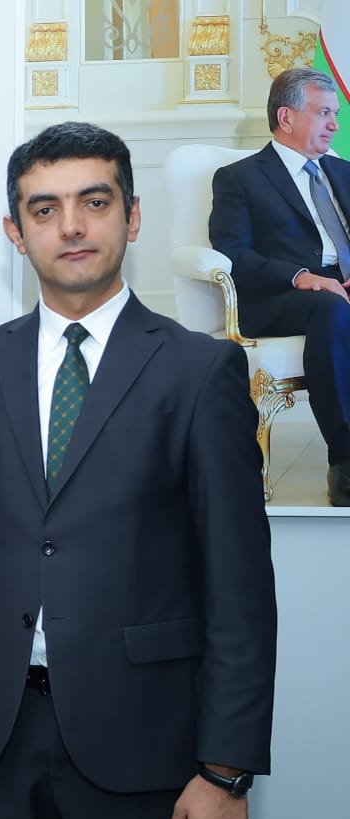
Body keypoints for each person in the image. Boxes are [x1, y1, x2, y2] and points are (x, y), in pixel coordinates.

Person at [0, 122, 277, 819]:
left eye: (94, 202)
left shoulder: (199, 372)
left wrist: (227, 771)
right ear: (16, 233)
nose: (70, 226)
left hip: (144, 738)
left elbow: (239, 588)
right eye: (44, 209)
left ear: (132, 217)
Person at [209, 66, 350, 505]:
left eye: (335, 114)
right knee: (330, 308)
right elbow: (232, 251)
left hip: (342, 286)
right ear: (287, 117)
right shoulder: (240, 178)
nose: (335, 124)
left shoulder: (343, 172)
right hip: (282, 297)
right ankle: (345, 459)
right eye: (324, 113)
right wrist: (303, 277)